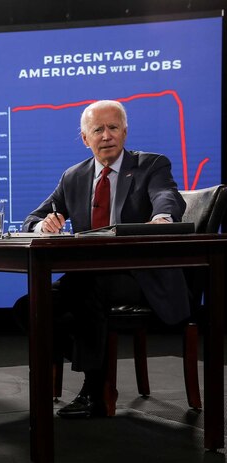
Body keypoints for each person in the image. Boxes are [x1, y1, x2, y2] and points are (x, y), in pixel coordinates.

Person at [14, 99, 189, 418]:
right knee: (30, 306)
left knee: (85, 290)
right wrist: (45, 223)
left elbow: (166, 196)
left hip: (138, 276)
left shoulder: (151, 165)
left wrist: (163, 217)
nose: (106, 135)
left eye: (113, 127)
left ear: (125, 132)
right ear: (85, 138)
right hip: (89, 275)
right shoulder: (74, 176)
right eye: (98, 129)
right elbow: (32, 219)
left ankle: (95, 390)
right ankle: (100, 373)